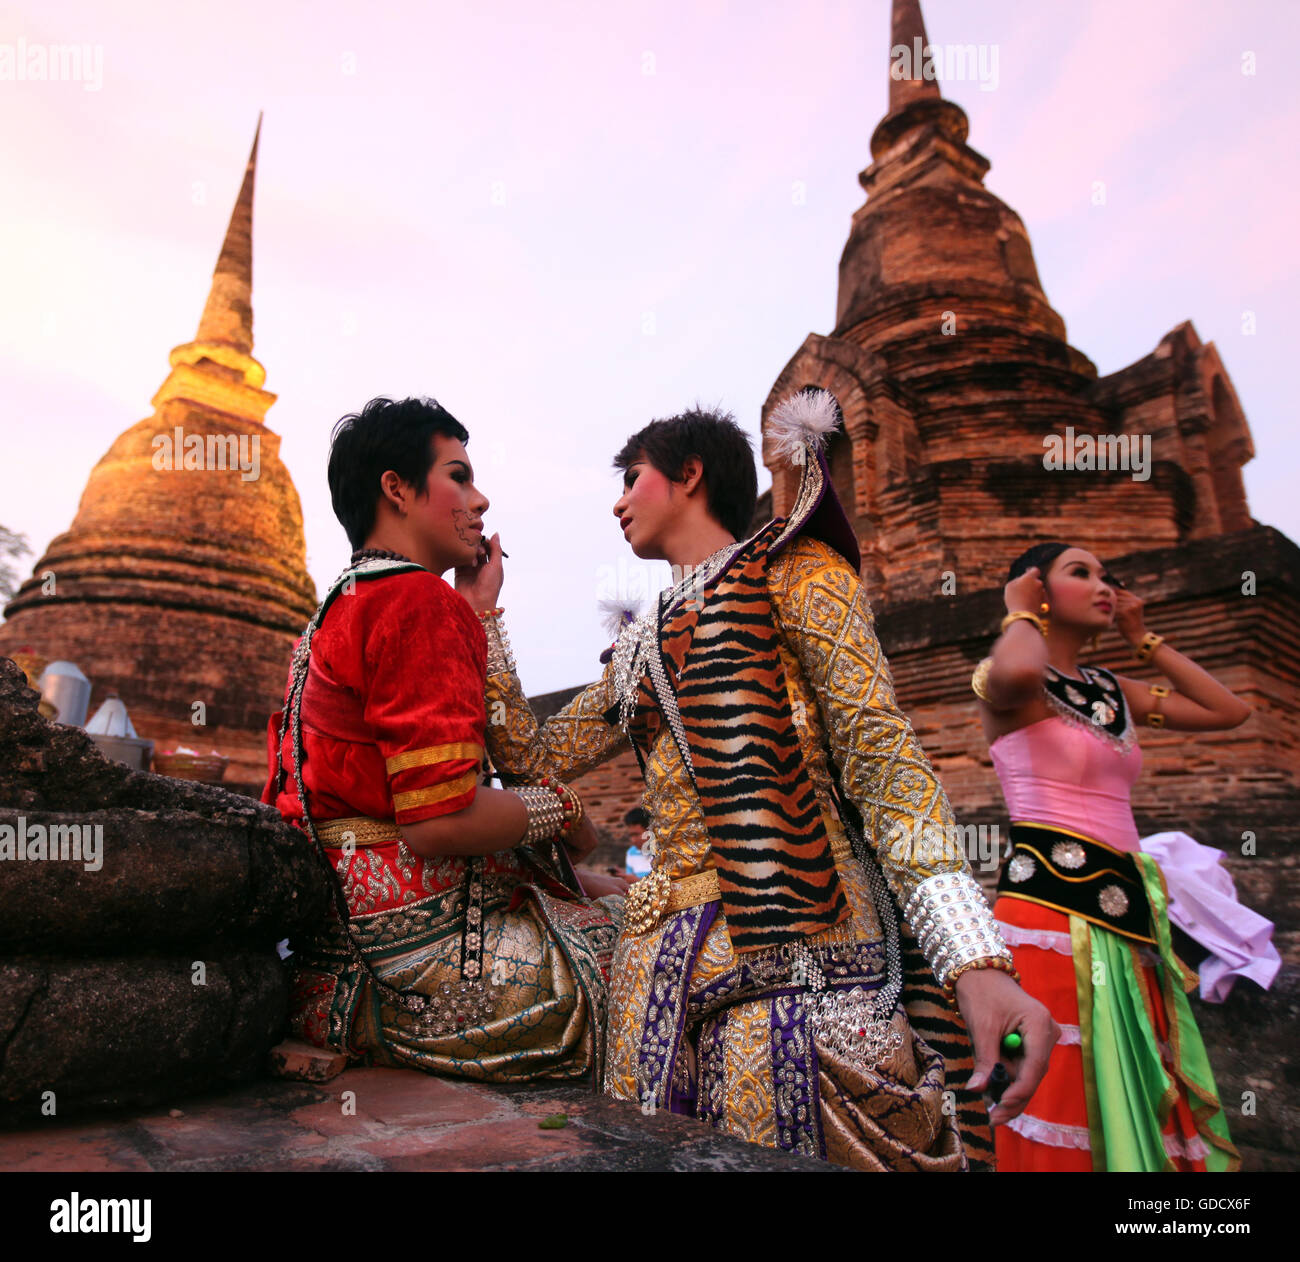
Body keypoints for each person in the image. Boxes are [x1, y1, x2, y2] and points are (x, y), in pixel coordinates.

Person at [457, 390, 1056, 1170]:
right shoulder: (639, 650)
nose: (616, 502)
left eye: (632, 476)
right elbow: (532, 760)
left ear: (690, 474)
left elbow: (884, 760)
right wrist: (485, 617)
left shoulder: (795, 572)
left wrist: (972, 956)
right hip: (658, 965)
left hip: (800, 946)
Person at [262, 396, 623, 1084]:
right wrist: (561, 811)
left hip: (332, 969)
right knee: (660, 951)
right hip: (422, 973)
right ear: (396, 488)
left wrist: (480, 610)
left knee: (608, 890)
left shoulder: (337, 608)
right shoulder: (418, 601)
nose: (480, 500)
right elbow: (437, 822)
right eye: (458, 476)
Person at [972, 541, 1247, 1171]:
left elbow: (1229, 711)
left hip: (1133, 923)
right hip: (1048, 918)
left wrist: (1144, 638)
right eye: (1081, 573)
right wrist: (1019, 612)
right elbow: (1016, 673)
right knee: (1068, 1091)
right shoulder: (1007, 679)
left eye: (1107, 576)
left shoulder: (1112, 689)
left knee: (1144, 1084)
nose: (1104, 586)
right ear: (1037, 588)